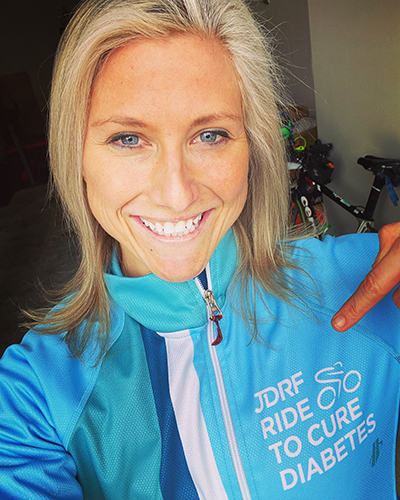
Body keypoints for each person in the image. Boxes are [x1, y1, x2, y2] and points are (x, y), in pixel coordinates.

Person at [0, 0, 399, 499]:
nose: (176, 192)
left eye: (211, 135)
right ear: (76, 156)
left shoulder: (369, 288)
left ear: (251, 147)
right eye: (128, 138)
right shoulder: (36, 391)